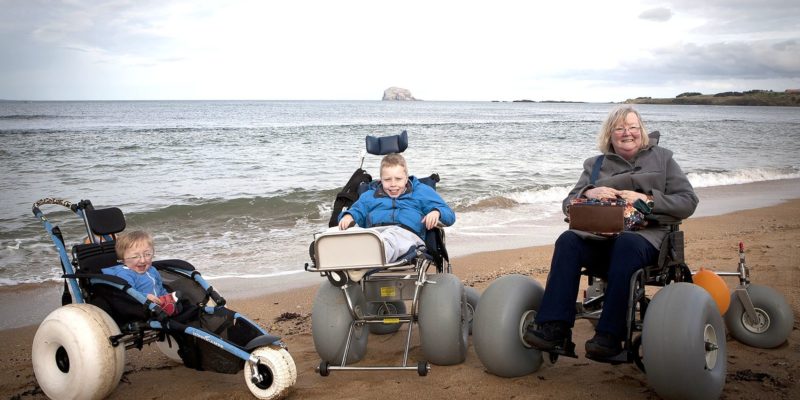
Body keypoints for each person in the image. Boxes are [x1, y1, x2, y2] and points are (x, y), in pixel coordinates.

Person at [524, 106, 699, 358]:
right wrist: (588, 192)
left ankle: (609, 335)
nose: (627, 133)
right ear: (610, 134)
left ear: (642, 131)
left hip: (646, 241)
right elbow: (567, 204)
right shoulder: (595, 166)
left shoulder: (663, 159)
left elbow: (688, 201)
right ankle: (555, 328)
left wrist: (647, 200)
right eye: (619, 128)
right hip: (601, 240)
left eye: (633, 127)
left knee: (626, 243)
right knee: (568, 240)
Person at [338, 153, 455, 262]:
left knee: (390, 237)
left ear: (406, 178)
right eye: (387, 179)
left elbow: (449, 215)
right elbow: (357, 210)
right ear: (380, 180)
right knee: (352, 235)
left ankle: (366, 259)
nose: (393, 184)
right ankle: (346, 258)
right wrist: (349, 216)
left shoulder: (421, 191)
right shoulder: (369, 195)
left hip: (407, 235)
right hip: (374, 234)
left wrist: (436, 212)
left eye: (398, 179)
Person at [102, 230, 178, 315]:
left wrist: (168, 297)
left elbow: (160, 288)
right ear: (123, 260)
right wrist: (145, 297)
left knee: (179, 299)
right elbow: (127, 296)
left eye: (148, 254)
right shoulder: (124, 274)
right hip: (140, 309)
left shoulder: (152, 270)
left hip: (158, 305)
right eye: (135, 256)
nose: (142, 260)